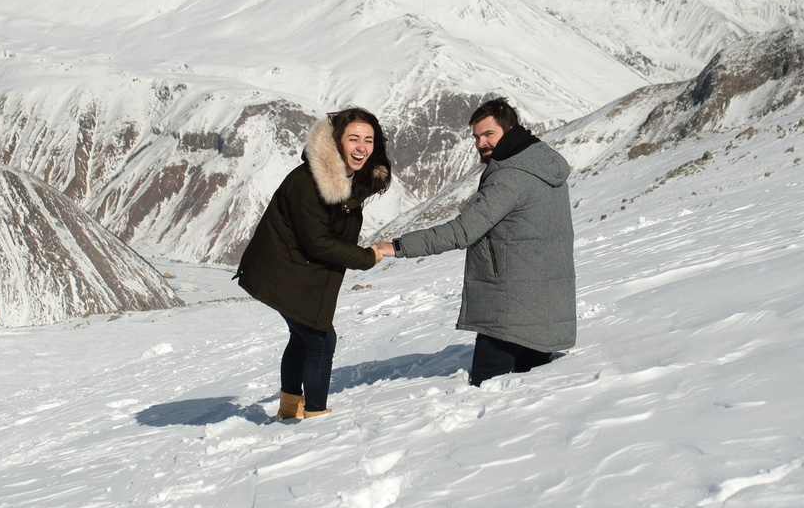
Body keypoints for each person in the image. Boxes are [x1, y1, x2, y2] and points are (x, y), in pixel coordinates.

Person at [375, 97, 575, 386]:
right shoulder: (544, 164)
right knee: (530, 395)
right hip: (545, 308)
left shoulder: (509, 178)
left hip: (508, 310)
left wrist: (396, 247)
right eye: (477, 136)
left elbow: (461, 231)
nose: (481, 143)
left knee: (484, 393)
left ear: (509, 129)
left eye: (488, 134)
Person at [235, 107, 391, 421]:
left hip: (299, 270)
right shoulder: (310, 181)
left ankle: (290, 409)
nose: (361, 147)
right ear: (337, 141)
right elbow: (316, 241)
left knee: (303, 336)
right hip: (282, 271)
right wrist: (366, 257)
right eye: (353, 139)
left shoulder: (348, 177)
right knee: (320, 339)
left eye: (369, 140)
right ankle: (316, 415)